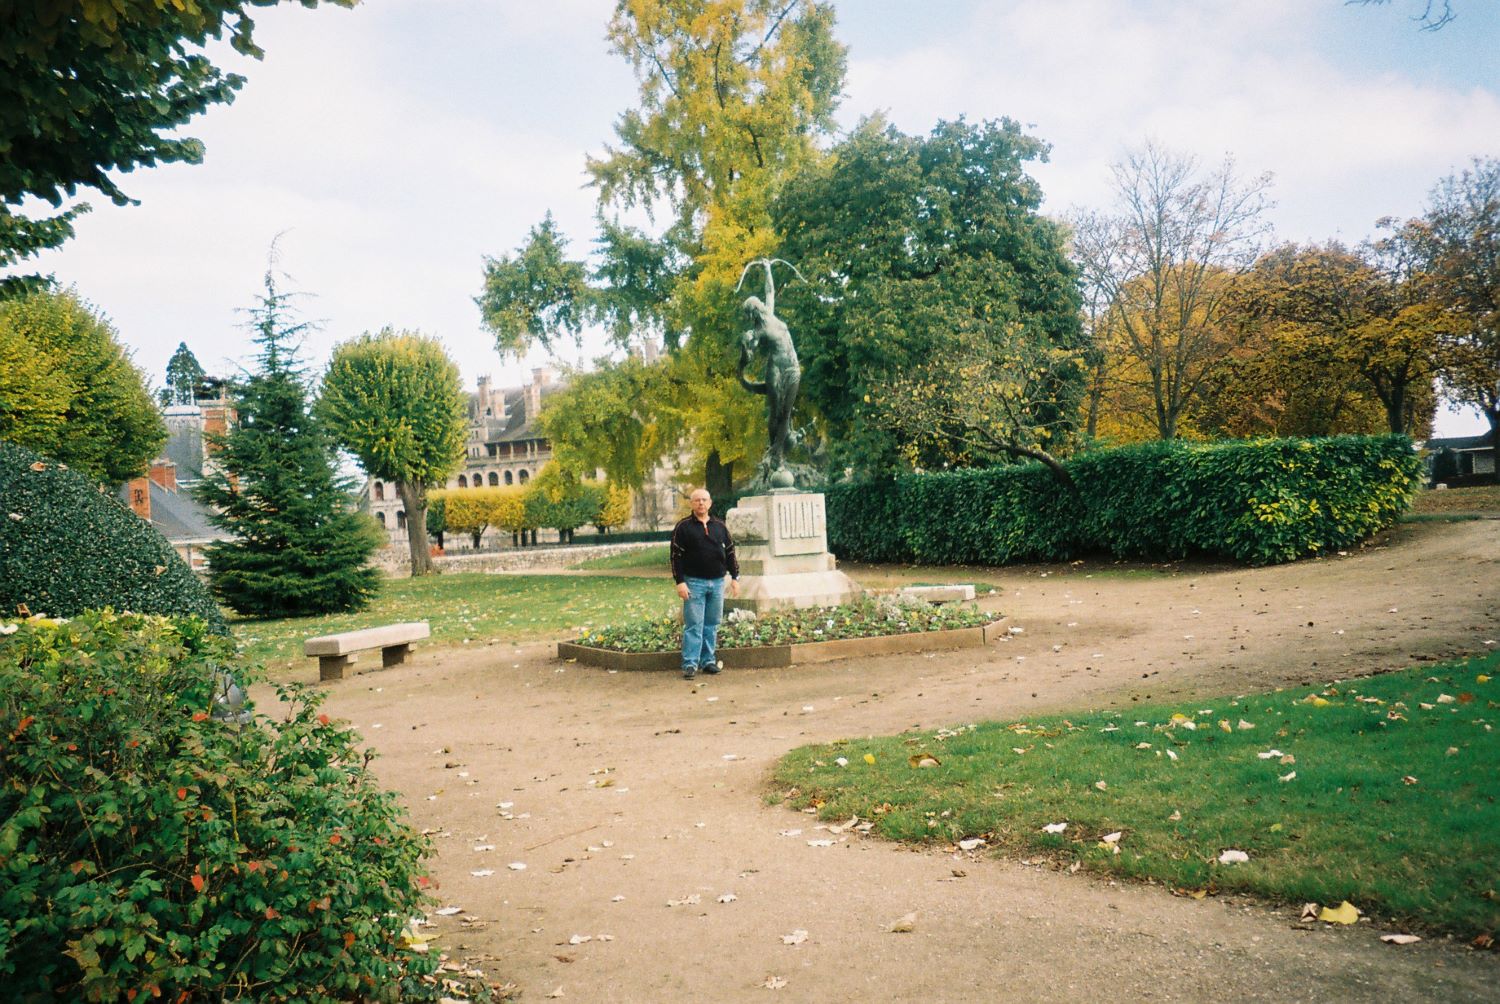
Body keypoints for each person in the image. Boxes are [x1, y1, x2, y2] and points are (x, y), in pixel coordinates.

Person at [669, 487, 740, 679]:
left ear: (710, 503)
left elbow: (730, 553)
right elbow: (675, 557)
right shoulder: (683, 527)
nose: (701, 503)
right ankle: (690, 664)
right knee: (694, 625)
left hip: (717, 583)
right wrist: (680, 582)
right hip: (694, 583)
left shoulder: (720, 526)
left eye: (704, 500)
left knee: (712, 624)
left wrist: (735, 578)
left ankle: (708, 661)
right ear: (691, 504)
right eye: (697, 500)